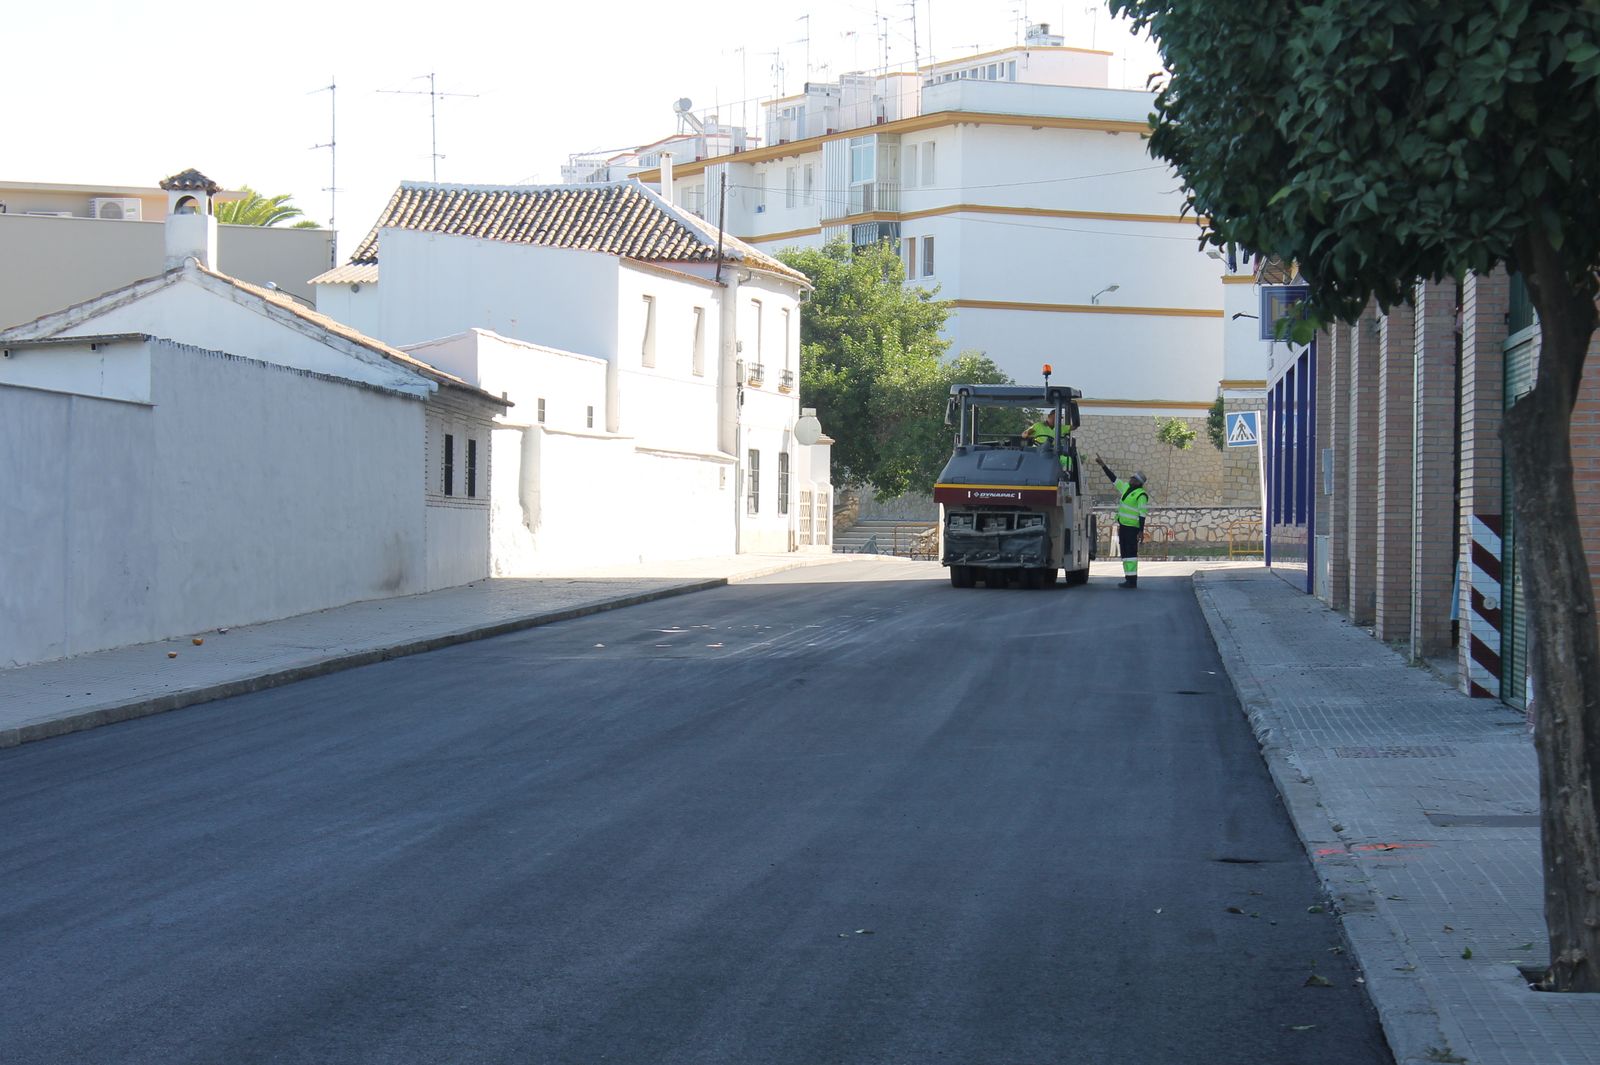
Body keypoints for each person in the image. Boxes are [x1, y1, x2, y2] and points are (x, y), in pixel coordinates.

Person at [1095, 454, 1150, 588]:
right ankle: (1128, 578)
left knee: (1131, 553)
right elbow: (1113, 478)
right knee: (1125, 553)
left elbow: (1142, 514)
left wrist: (1141, 531)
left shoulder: (1141, 495)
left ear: (1138, 482)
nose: (1130, 479)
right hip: (1124, 527)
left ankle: (1132, 580)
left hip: (1132, 529)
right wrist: (1103, 466)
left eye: (1133, 478)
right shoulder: (1126, 489)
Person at [1022, 409, 1073, 474]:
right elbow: (1025, 434)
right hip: (1037, 451)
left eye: (1059, 418)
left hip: (1052, 452)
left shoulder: (1061, 428)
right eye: (1054, 417)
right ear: (1049, 416)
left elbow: (1074, 427)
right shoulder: (1038, 425)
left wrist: (1076, 421)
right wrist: (1026, 433)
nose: (1056, 419)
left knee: (1068, 460)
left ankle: (1063, 476)